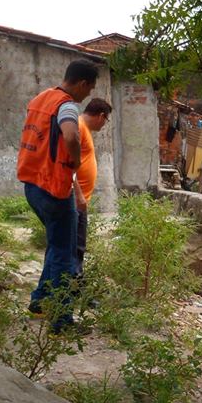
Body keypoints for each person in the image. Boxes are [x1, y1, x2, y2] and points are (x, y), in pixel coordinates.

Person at [17, 59, 98, 327]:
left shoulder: (40, 99)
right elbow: (70, 136)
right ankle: (61, 321)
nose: (87, 95)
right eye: (89, 89)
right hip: (55, 189)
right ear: (82, 83)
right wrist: (75, 160)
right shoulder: (67, 105)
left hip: (33, 185)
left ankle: (40, 302)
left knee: (55, 244)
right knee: (65, 253)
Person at [73, 98, 112, 275]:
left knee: (78, 246)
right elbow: (67, 165)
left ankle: (75, 282)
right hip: (75, 200)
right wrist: (78, 195)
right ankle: (70, 284)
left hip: (80, 200)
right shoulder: (78, 127)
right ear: (101, 116)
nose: (104, 124)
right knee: (73, 245)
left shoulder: (84, 129)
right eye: (106, 120)